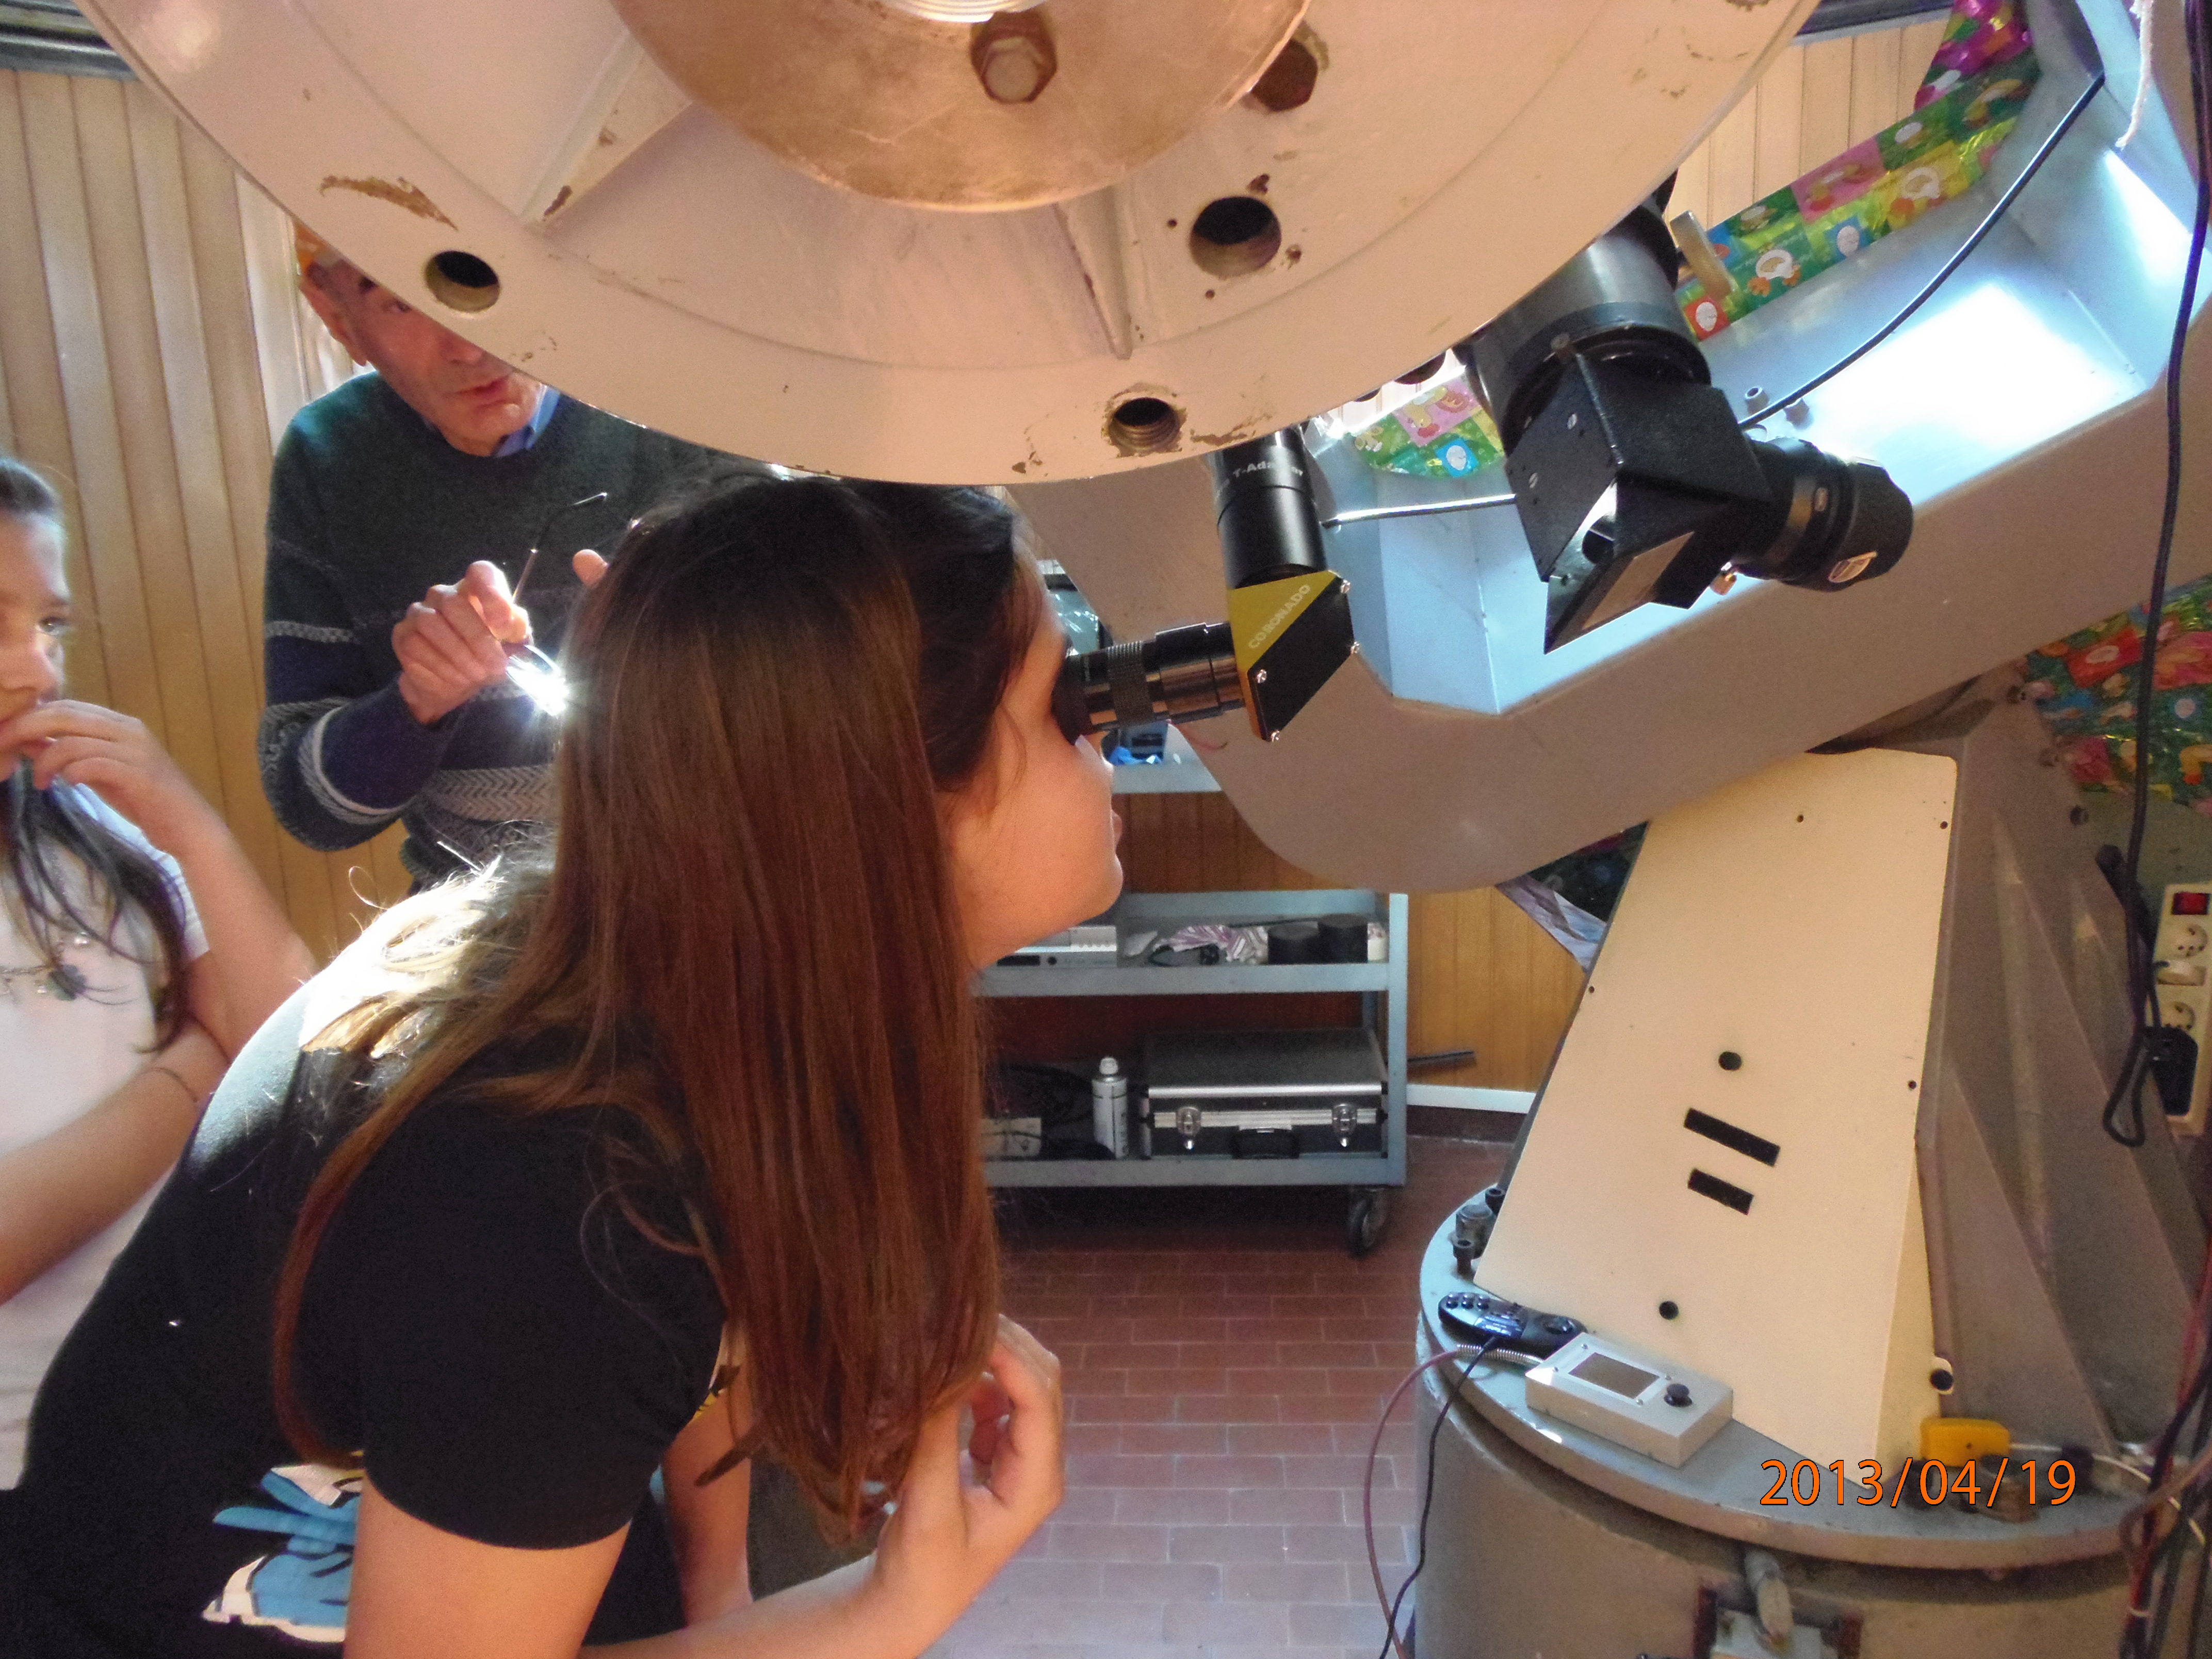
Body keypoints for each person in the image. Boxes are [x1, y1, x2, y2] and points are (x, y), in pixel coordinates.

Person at [5, 475, 1121, 1656]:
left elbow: (700, 1303)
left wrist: (719, 1581)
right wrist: (892, 1606)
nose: (1107, 743)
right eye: (1067, 703)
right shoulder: (553, 1195)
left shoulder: (657, 975)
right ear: (895, 801)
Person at [0, 457, 313, 1488]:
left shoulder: (78, 822)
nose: (36, 671)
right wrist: (197, 1072)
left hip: (199, 1402)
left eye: (51, 626)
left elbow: (294, 1052)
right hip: (30, 1455)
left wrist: (187, 823)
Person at [261, 232, 743, 885]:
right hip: (474, 914)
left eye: (486, 279)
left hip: (717, 891)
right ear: (336, 315)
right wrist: (419, 700)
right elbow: (311, 810)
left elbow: (833, 708)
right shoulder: (329, 456)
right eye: (403, 302)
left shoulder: (691, 401)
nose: (469, 347)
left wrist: (698, 660)